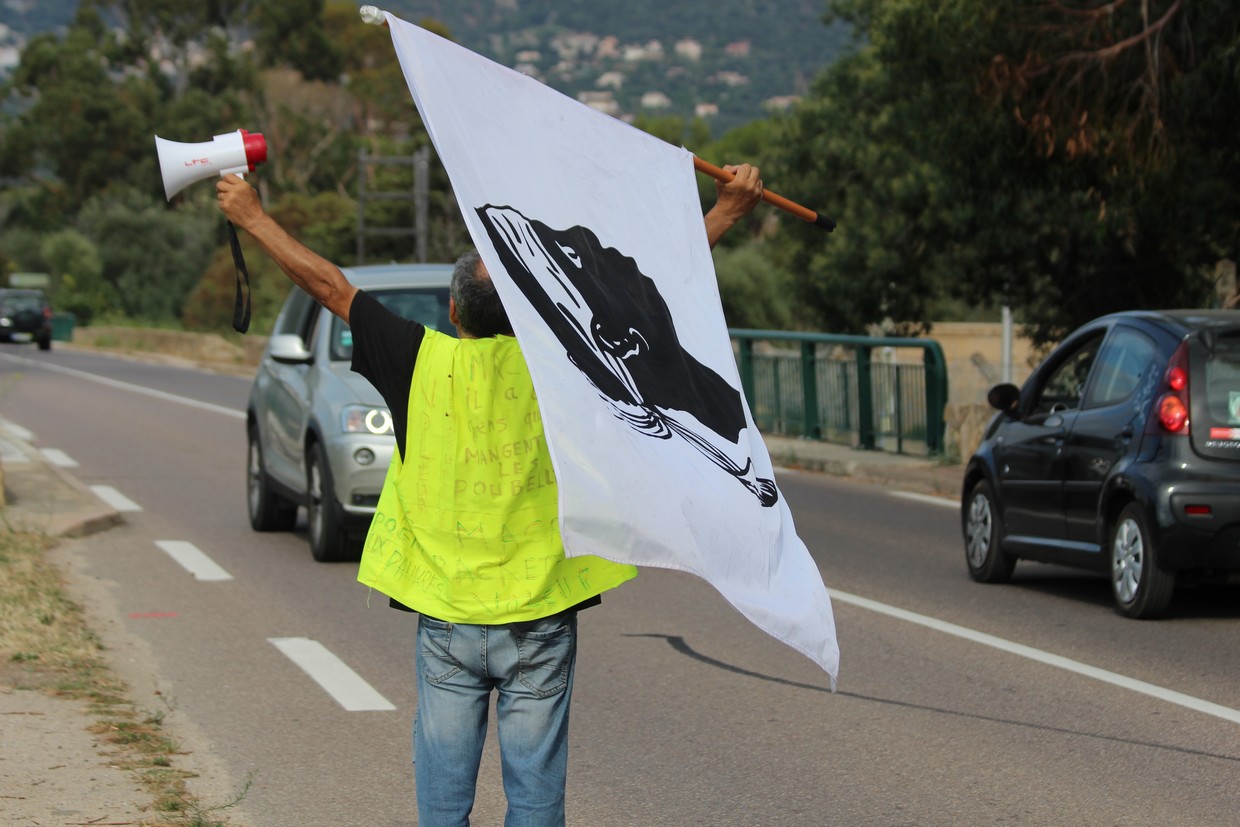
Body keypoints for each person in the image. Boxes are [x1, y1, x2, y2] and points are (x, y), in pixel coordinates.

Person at [216, 163, 764, 826]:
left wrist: (252, 217)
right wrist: (727, 212)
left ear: (452, 312)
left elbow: (329, 286)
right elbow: (637, 299)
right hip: (541, 609)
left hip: (447, 612)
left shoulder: (419, 359)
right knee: (535, 792)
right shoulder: (563, 365)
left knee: (443, 796)